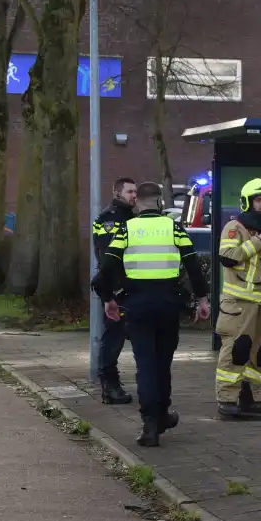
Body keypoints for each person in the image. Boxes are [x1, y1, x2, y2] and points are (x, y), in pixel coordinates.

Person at [92, 181, 210, 447]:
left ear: (138, 203)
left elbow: (107, 267)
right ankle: (161, 414)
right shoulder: (173, 227)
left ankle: (149, 426)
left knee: (145, 364)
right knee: (162, 363)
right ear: (159, 202)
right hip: (168, 305)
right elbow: (192, 264)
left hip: (136, 306)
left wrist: (108, 299)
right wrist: (203, 299)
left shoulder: (126, 229)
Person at [213, 177, 261, 420]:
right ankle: (227, 399)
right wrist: (255, 243)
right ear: (247, 202)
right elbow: (227, 257)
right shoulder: (235, 228)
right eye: (259, 200)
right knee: (237, 349)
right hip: (240, 305)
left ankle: (249, 397)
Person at [91, 177, 137, 404]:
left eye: (135, 192)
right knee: (114, 338)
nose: (133, 196)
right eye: (129, 191)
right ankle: (109, 385)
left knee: (131, 336)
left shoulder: (133, 218)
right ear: (117, 193)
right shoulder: (109, 219)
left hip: (132, 286)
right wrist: (113, 290)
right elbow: (108, 257)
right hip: (117, 288)